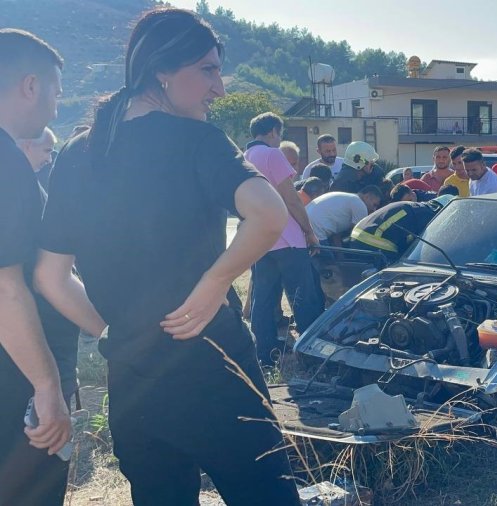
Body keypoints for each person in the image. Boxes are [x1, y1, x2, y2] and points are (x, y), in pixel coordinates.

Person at [34, 10, 301, 504]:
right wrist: (216, 282)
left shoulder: (77, 152)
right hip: (214, 365)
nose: (219, 88)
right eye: (208, 70)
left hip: (133, 379)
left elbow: (51, 276)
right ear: (162, 69)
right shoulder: (196, 140)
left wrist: (112, 330)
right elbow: (268, 212)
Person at [0, 28, 74, 506]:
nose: (55, 107)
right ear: (30, 85)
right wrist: (46, 386)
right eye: (55, 92)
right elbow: (6, 289)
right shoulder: (6, 165)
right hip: (13, 379)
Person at [244, 112, 322, 366]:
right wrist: (309, 231)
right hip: (288, 239)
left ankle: (265, 355)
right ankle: (311, 355)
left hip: (260, 239)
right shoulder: (272, 154)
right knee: (303, 299)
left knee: (263, 300)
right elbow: (290, 198)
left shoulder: (244, 158)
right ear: (273, 131)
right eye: (279, 134)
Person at [349, 195, 454, 263]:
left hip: (356, 237)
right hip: (375, 244)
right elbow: (420, 247)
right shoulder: (429, 214)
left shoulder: (414, 207)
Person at [306, 186, 382, 246]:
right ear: (367, 197)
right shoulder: (360, 205)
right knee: (329, 264)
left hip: (307, 223)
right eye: (374, 205)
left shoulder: (348, 199)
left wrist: (340, 256)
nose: (374, 210)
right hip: (317, 229)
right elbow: (358, 236)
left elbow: (336, 235)